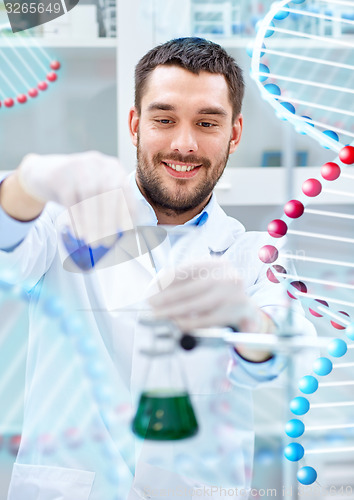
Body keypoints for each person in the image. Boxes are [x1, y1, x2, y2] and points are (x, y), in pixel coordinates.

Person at [0, 38, 314, 500]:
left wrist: (247, 321)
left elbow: (283, 354)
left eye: (207, 122)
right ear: (135, 125)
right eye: (164, 120)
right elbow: (10, 250)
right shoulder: (65, 220)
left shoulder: (254, 255)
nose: (183, 144)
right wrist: (25, 187)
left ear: (235, 133)